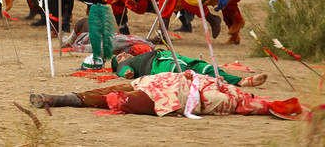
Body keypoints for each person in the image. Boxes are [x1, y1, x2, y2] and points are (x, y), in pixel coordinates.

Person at [30, 70, 304, 119]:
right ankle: (56, 98)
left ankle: (56, 100)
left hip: (172, 93)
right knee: (103, 93)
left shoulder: (228, 97)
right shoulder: (139, 58)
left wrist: (239, 84)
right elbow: (124, 69)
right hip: (153, 81)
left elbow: (228, 99)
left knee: (118, 99)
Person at [112, 49, 268, 86]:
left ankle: (240, 81)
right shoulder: (123, 65)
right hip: (157, 64)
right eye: (119, 56)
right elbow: (126, 73)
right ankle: (211, 81)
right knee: (181, 70)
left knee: (202, 66)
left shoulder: (136, 54)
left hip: (168, 54)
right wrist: (125, 71)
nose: (124, 54)